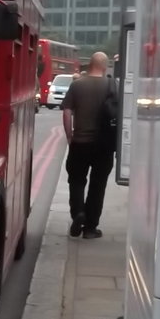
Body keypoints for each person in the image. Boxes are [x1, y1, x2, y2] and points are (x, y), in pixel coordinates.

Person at [61, 51, 118, 239]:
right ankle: (90, 228)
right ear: (104, 66)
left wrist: (70, 136)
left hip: (80, 142)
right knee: (98, 185)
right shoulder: (112, 86)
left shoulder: (77, 85)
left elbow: (67, 112)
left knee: (76, 180)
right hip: (104, 145)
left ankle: (78, 213)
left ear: (90, 64)